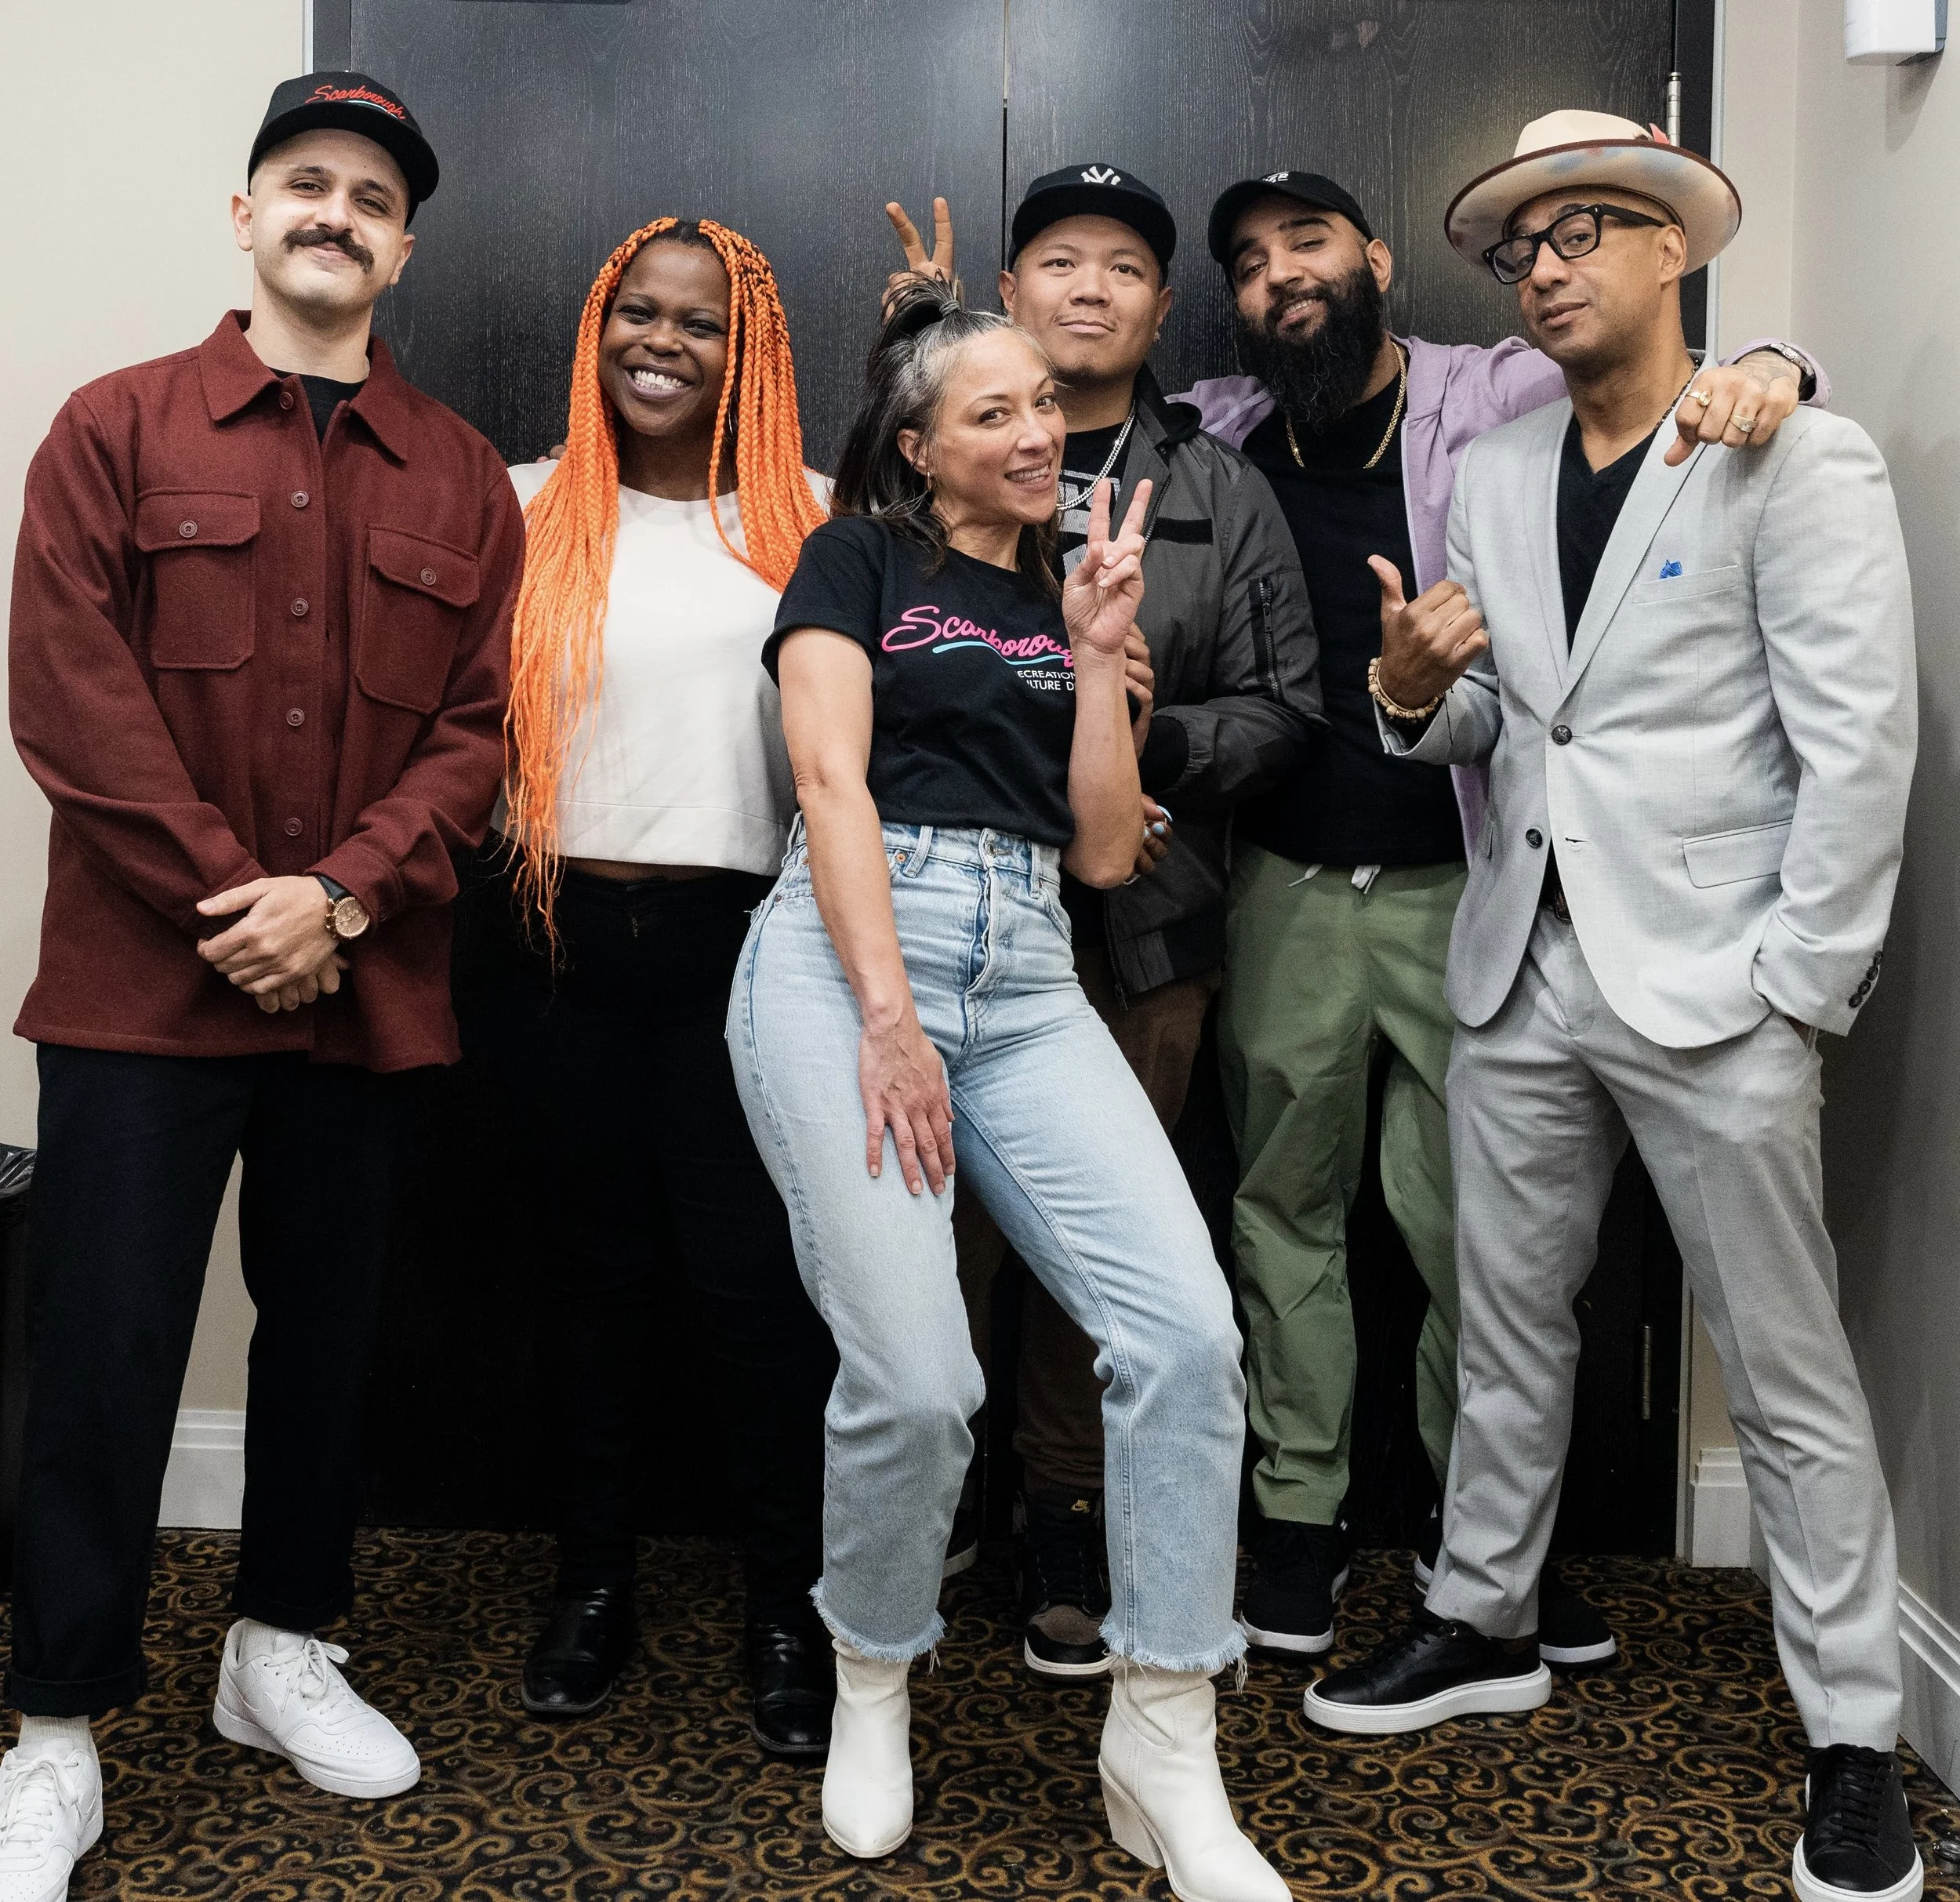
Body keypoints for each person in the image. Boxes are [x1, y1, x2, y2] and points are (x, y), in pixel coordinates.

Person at [1305, 111, 1921, 1902]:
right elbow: (1510, 718)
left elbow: (1855, 744)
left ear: (1673, 248)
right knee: (1503, 1321)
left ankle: (1853, 1734)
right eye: (1521, 248)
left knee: (1784, 1369)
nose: (1547, 265)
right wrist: (1413, 693)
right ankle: (1485, 1616)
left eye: (1586, 230)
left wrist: (1795, 989)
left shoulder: (1787, 453)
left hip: (1716, 981)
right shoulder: (1490, 469)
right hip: (1521, 962)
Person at [1180, 159, 1823, 1664]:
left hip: (1475, 888)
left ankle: (1494, 1557)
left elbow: (1659, 370)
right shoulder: (1210, 429)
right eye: (1255, 259)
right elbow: (1042, 399)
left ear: (1380, 259)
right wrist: (927, 328)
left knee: (1484, 1242)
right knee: (1283, 1214)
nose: (1285, 275)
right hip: (1280, 883)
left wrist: (1785, 364)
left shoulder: (1484, 392)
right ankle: (1299, 1521)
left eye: (1312, 242)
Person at [2, 72, 523, 1896]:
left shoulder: (461, 473)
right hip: (146, 991)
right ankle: (54, 1725)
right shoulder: (113, 429)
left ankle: (280, 1647)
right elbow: (71, 701)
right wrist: (255, 903)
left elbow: (475, 736)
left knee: (327, 1346)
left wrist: (347, 902)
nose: (335, 212)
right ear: (245, 216)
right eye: (304, 182)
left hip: (362, 994)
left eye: (370, 195)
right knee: (103, 1352)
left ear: (403, 243)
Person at [728, 282, 1287, 1901]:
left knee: (1183, 1337)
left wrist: (1105, 656)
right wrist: (887, 1016)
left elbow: (1106, 850)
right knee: (916, 1384)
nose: (1038, 428)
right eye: (993, 410)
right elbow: (827, 774)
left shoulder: (1065, 597)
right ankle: (874, 1680)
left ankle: (1162, 1738)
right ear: (918, 448)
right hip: (846, 958)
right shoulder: (857, 561)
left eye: (1044, 402)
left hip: (1032, 972)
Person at [883, 166, 1318, 1682]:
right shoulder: (915, 476)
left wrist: (1152, 733)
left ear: (1157, 307)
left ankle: (1064, 1514)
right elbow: (846, 666)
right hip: (938, 927)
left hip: (1145, 931)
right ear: (1010, 293)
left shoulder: (1219, 486)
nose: (1088, 288)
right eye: (1056, 261)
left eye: (1122, 268)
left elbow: (1286, 713)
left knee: (1100, 1244)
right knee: (930, 1236)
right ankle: (922, 1511)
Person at [474, 215, 837, 1753]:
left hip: (743, 953)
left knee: (759, 1297)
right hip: (550, 938)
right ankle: (595, 1583)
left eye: (699, 323)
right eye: (641, 313)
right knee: (590, 1283)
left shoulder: (810, 521)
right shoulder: (518, 507)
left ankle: (786, 1604)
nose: (664, 344)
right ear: (596, 325)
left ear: (744, 349)